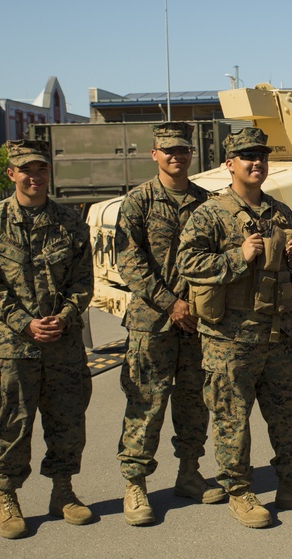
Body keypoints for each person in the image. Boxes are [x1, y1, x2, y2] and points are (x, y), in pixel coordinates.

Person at [177, 128, 292, 529]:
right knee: (232, 419)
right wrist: (238, 256)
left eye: (262, 157)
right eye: (247, 156)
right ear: (229, 164)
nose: (257, 163)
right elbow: (187, 263)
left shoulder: (280, 212)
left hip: (281, 336)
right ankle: (239, 490)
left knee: (291, 415)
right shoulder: (210, 214)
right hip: (231, 340)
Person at [0, 139, 95, 539]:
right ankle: (8, 497)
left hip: (63, 344)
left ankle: (63, 491)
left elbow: (83, 281)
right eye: (26, 169)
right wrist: (24, 323)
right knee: (11, 426)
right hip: (12, 349)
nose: (34, 176)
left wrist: (65, 316)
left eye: (40, 169)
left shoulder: (70, 222)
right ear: (11, 174)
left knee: (67, 424)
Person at [114, 122, 223, 526]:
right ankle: (135, 483)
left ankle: (189, 472)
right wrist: (170, 303)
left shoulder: (207, 202)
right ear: (154, 154)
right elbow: (131, 264)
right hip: (151, 324)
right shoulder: (138, 202)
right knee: (146, 403)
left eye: (183, 150)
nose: (177, 156)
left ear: (192, 154)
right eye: (168, 150)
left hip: (196, 321)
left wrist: (194, 306)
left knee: (195, 401)